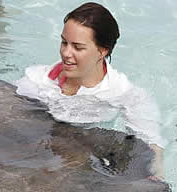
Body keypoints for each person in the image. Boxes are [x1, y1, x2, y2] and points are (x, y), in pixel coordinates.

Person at [14, 2, 166, 181]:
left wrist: (154, 176)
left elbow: (151, 146)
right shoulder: (36, 81)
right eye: (64, 42)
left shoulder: (126, 95)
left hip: (87, 162)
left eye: (77, 47)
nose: (66, 53)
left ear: (102, 51)